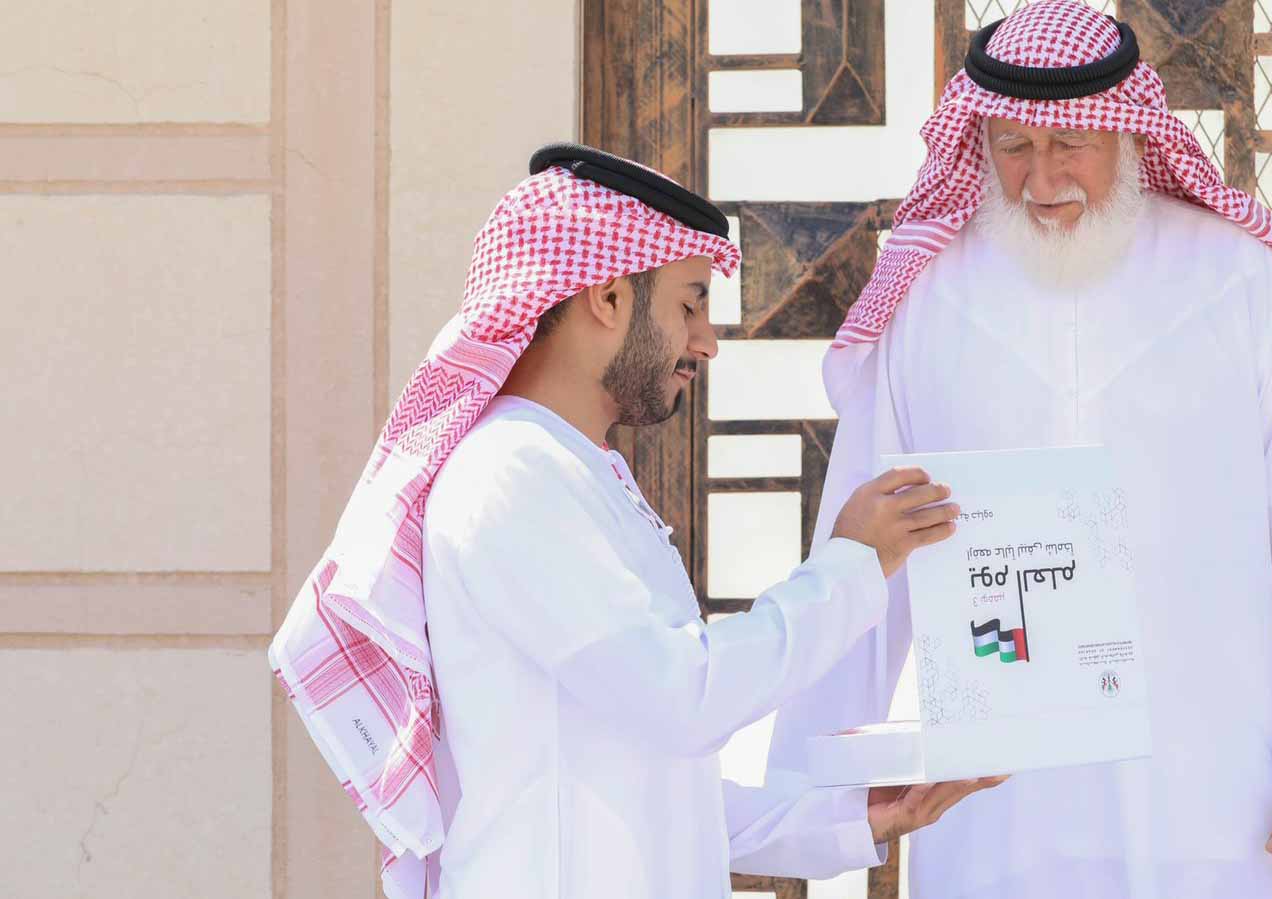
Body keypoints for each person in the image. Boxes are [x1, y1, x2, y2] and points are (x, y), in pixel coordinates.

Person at [269, 144, 999, 899]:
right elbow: (684, 697)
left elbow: (659, 784)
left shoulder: (573, 472)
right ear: (609, 298)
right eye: (688, 303)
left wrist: (854, 816)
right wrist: (851, 564)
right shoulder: (509, 475)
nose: (706, 343)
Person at [765, 4, 1272, 898]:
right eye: (1013, 146)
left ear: (1130, 135)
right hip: (1000, 807)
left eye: (1072, 146)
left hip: (1213, 790)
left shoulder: (1241, 281)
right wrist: (804, 798)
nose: (1041, 178)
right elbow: (869, 546)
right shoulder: (929, 297)